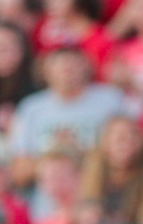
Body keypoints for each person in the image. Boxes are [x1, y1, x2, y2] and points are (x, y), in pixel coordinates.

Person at [7, 44, 127, 187]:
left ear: (87, 66)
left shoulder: (111, 100)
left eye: (73, 64)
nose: (67, 70)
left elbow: (128, 156)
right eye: (61, 65)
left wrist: (82, 155)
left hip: (99, 194)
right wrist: (59, 155)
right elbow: (18, 172)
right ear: (46, 71)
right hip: (46, 202)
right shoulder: (30, 109)